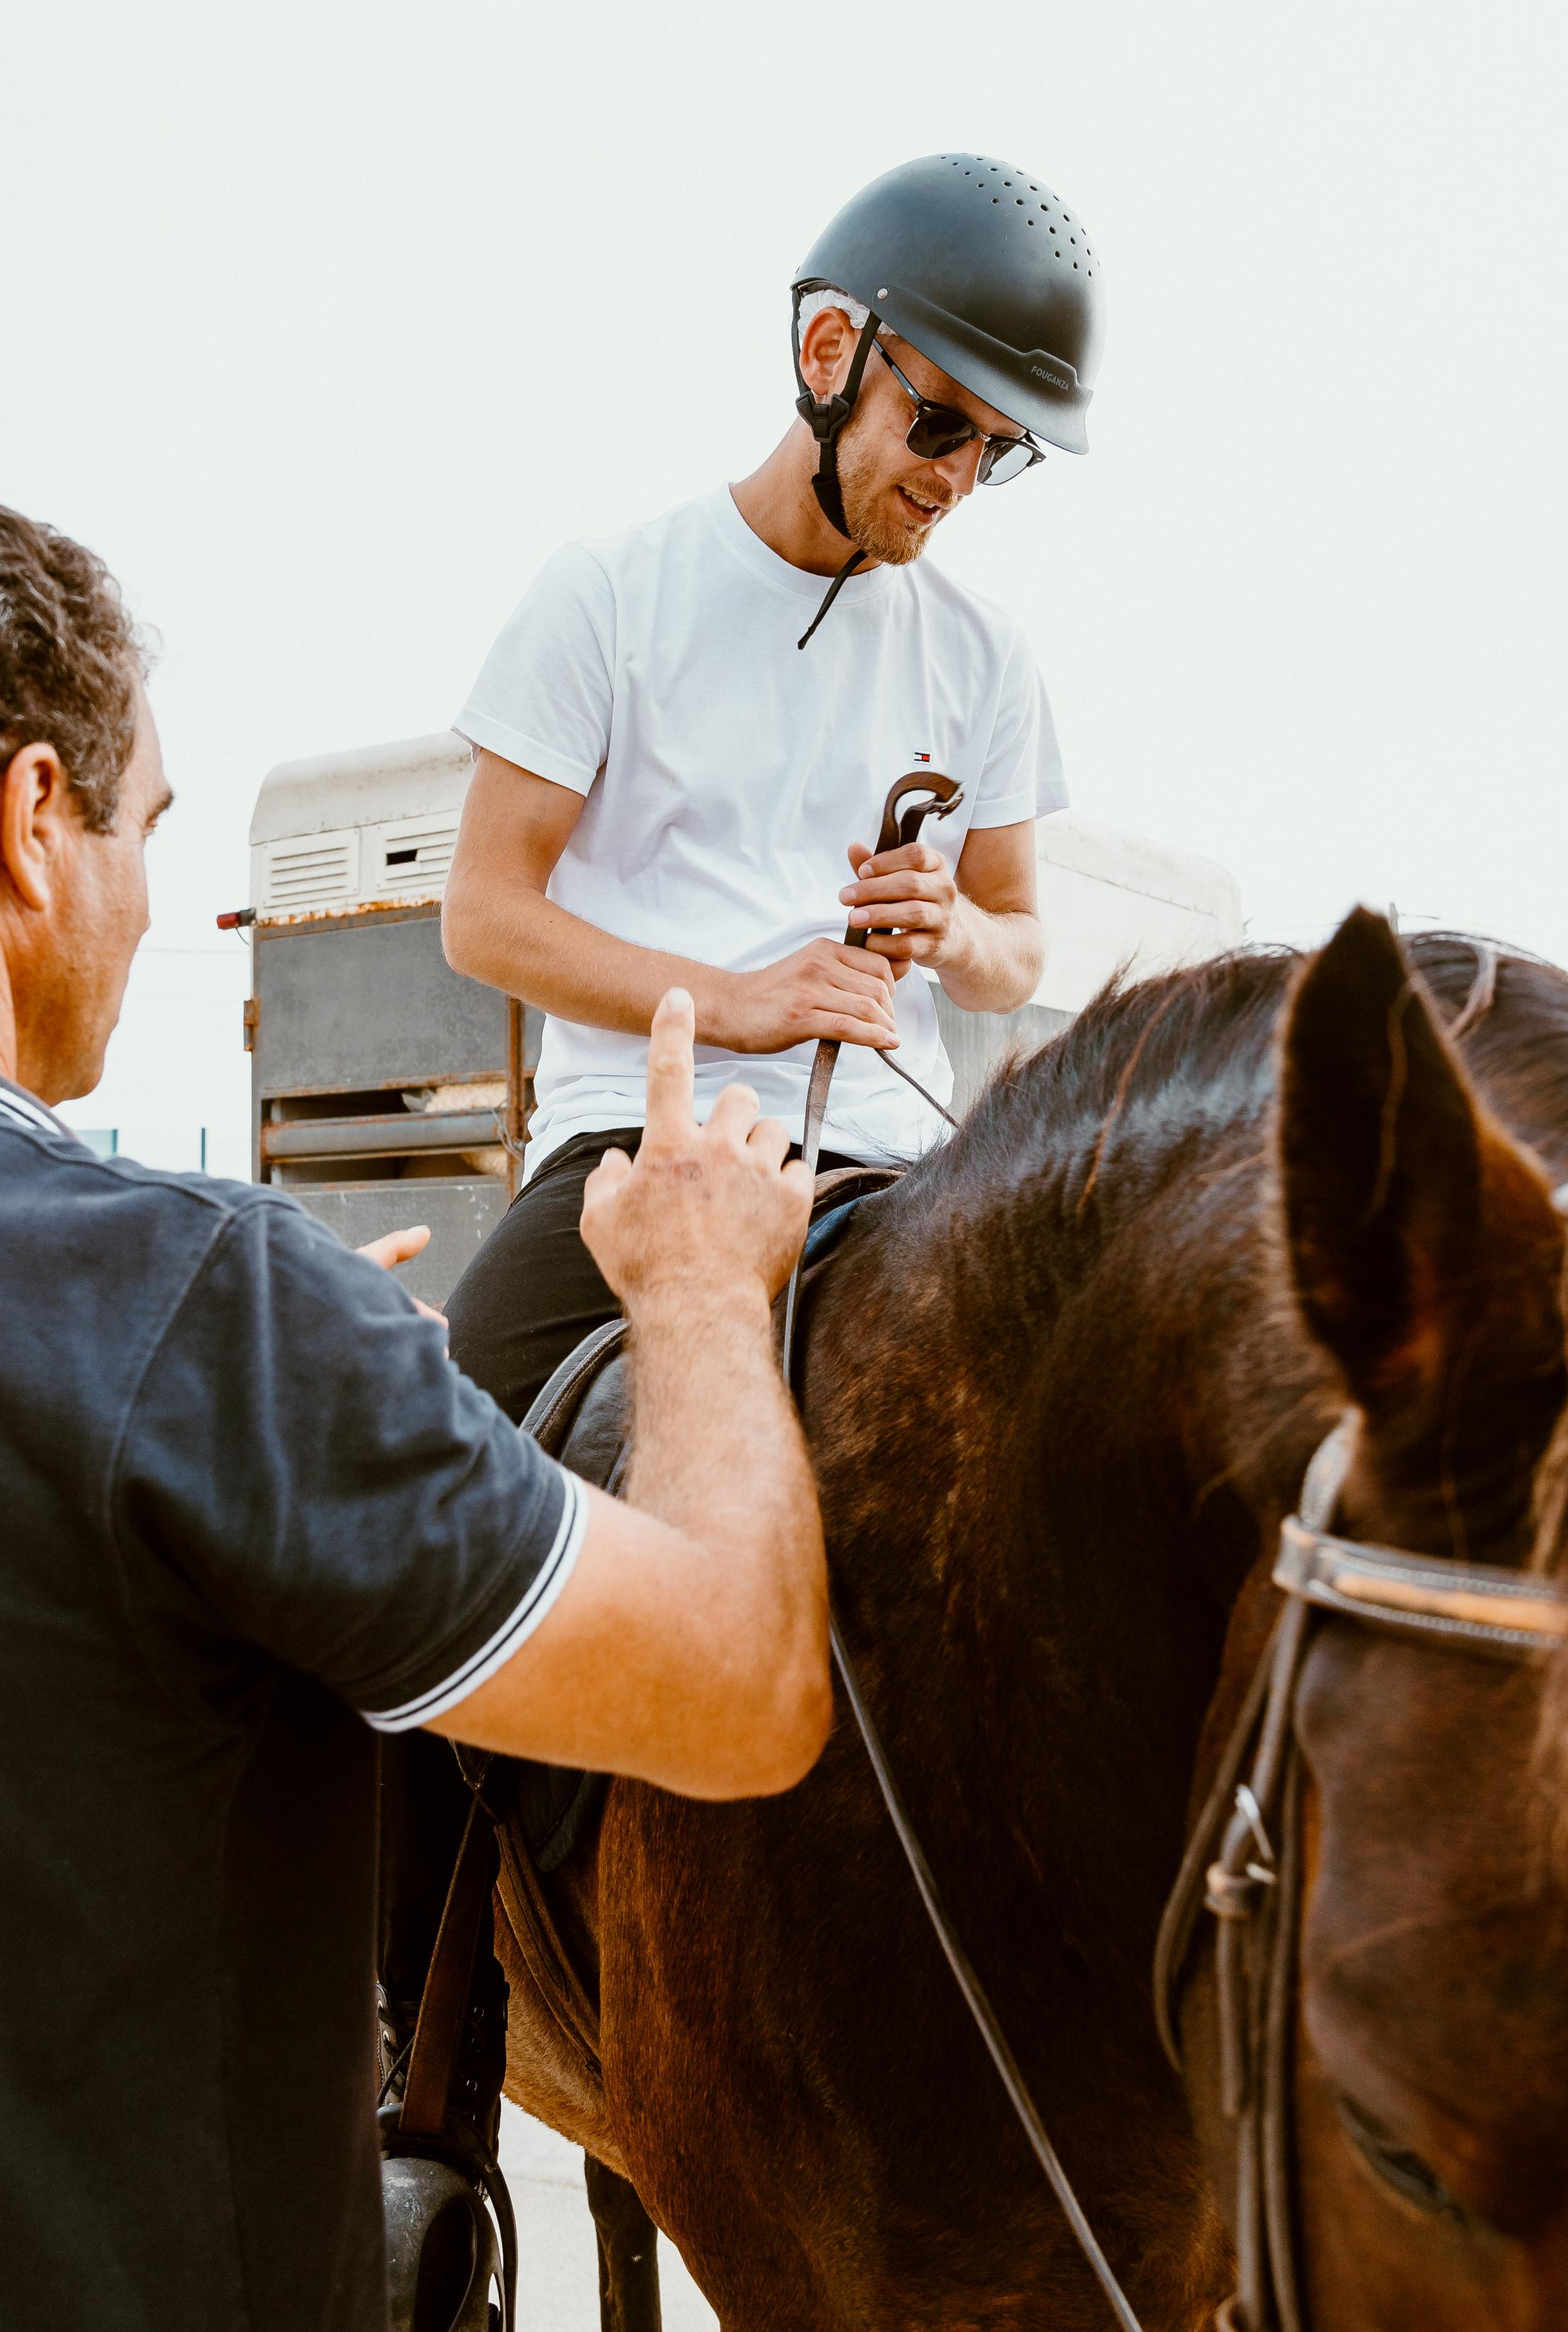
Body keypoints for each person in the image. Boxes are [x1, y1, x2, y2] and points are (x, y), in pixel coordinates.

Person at [0, 483, 828, 2332]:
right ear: (28, 825)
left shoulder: (193, 1326)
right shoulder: (188, 1305)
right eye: (144, 830)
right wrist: (696, 1295)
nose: (144, 905)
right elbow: (741, 1684)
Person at [439, 150, 1104, 1422]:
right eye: (940, 425)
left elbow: (1016, 951)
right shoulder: (607, 596)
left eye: (999, 452)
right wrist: (737, 1003)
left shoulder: (985, 656)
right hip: (640, 1139)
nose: (957, 480)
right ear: (829, 354)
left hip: (896, 1167)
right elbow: (483, 917)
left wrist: (955, 930)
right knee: (433, 1457)